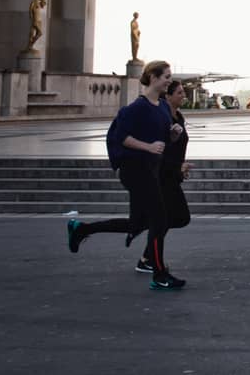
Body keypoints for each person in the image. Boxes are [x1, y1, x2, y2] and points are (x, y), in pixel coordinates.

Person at [66, 60, 185, 290]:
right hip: (134, 171)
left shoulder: (161, 106)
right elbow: (122, 137)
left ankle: (81, 229)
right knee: (159, 220)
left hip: (150, 170)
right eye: (166, 76)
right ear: (153, 78)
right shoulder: (136, 108)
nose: (169, 80)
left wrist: (173, 135)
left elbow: (162, 139)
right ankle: (159, 274)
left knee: (136, 223)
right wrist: (148, 147)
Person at [136, 79, 193, 273]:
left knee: (169, 218)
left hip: (171, 174)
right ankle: (149, 259)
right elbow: (161, 152)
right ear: (167, 96)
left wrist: (180, 168)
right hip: (161, 175)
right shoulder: (162, 119)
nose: (183, 95)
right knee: (173, 217)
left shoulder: (179, 117)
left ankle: (148, 257)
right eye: (179, 93)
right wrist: (178, 166)